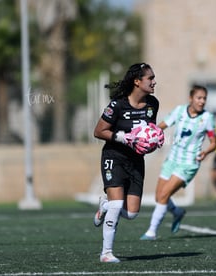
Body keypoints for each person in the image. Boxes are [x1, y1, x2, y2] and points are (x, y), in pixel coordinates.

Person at [92, 63, 164, 263]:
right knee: (117, 204)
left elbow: (147, 132)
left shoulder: (152, 104)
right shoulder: (117, 105)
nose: (154, 81)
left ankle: (105, 206)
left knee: (131, 213)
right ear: (137, 81)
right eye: (150, 78)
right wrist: (123, 137)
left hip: (135, 161)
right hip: (114, 158)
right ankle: (106, 253)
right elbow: (98, 131)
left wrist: (154, 139)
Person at [140, 84, 216, 240]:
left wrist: (206, 151)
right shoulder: (179, 111)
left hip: (188, 163)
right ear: (190, 98)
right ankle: (177, 212)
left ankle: (151, 231)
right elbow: (161, 126)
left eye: (204, 98)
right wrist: (147, 133)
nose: (202, 101)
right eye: (199, 98)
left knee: (164, 195)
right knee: (159, 196)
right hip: (172, 159)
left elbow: (214, 143)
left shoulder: (207, 118)